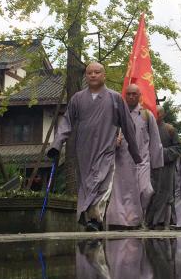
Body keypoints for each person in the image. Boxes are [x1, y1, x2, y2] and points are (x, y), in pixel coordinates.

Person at [48, 62, 141, 231]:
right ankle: (90, 218)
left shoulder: (115, 98)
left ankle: (95, 219)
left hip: (106, 148)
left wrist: (135, 153)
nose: (93, 75)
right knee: (87, 185)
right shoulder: (77, 99)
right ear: (86, 76)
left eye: (97, 72)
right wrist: (56, 144)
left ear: (103, 75)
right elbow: (66, 122)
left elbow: (128, 126)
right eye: (89, 72)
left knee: (103, 183)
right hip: (84, 150)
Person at [106, 84, 163, 229]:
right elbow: (106, 135)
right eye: (128, 94)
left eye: (134, 94)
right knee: (123, 193)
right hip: (122, 160)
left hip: (142, 160)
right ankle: (123, 222)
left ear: (139, 96)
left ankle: (138, 216)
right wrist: (113, 141)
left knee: (146, 191)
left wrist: (157, 164)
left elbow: (156, 140)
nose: (131, 97)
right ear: (125, 95)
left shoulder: (146, 115)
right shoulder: (117, 115)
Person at [146, 107, 181, 230]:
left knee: (164, 193)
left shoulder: (170, 129)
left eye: (158, 113)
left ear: (163, 114)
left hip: (165, 168)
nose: (156, 115)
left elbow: (177, 148)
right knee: (150, 192)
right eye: (153, 113)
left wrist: (161, 153)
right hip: (150, 167)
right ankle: (148, 220)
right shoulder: (147, 128)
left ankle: (160, 221)